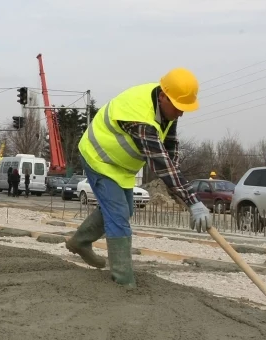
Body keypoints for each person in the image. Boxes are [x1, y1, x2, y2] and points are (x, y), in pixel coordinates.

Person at [65, 68, 212, 288]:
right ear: (163, 96)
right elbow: (160, 162)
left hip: (121, 167)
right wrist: (193, 200)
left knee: (126, 209)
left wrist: (181, 192)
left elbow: (169, 149)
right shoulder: (140, 117)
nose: (181, 113)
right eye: (179, 108)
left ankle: (80, 242)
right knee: (118, 215)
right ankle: (123, 280)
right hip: (99, 158)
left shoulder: (167, 107)